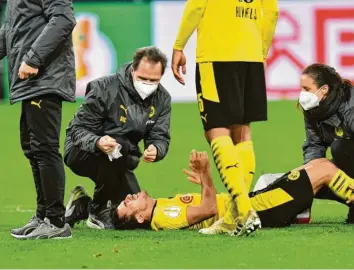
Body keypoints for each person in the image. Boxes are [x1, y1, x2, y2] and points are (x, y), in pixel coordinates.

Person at [170, 0, 279, 235]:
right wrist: (260, 51)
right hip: (251, 55)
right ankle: (232, 217)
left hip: (217, 54)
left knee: (216, 129)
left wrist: (179, 45)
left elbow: (197, 7)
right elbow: (271, 12)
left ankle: (245, 209)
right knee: (243, 132)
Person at [107, 150, 354, 233]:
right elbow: (210, 209)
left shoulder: (162, 207)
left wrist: (205, 183)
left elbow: (208, 205)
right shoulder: (162, 216)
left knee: (318, 165)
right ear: (140, 217)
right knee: (325, 171)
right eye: (127, 205)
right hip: (259, 210)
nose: (128, 197)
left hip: (253, 203)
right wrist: (206, 175)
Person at [64, 46, 171, 230]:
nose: (147, 84)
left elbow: (160, 136)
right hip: (81, 151)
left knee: (137, 217)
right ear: (132, 70)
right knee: (119, 145)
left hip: (121, 159)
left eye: (153, 80)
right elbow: (76, 129)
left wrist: (156, 148)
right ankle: (98, 210)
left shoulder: (162, 98)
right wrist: (97, 142)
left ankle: (82, 206)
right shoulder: (103, 88)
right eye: (142, 78)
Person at [1, 0, 76, 239]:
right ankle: (43, 215)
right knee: (33, 149)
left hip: (44, 76)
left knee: (44, 148)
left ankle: (56, 221)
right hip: (31, 81)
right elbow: (12, 29)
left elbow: (64, 19)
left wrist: (33, 58)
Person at [297, 63, 354, 224]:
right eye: (301, 89)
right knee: (309, 179)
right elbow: (314, 145)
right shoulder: (313, 110)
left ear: (324, 90)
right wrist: (312, 175)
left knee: (340, 149)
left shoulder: (351, 106)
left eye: (306, 89)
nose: (302, 94)